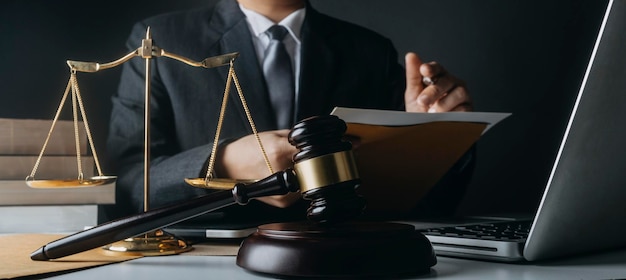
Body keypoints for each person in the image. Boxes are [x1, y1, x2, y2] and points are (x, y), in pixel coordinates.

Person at [99, 0, 473, 223]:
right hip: (202, 256)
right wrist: (222, 162)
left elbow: (425, 202)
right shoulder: (160, 40)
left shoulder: (369, 52)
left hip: (338, 257)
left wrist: (435, 135)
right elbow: (129, 183)